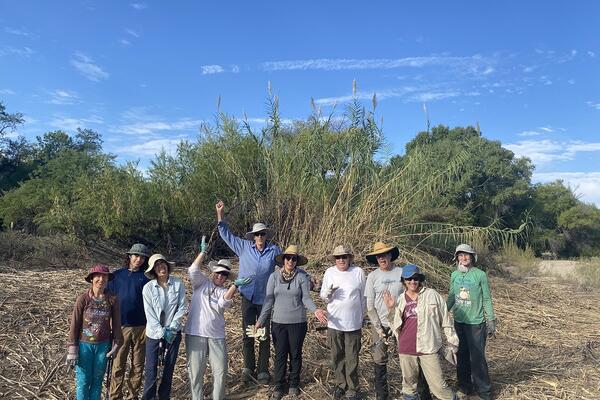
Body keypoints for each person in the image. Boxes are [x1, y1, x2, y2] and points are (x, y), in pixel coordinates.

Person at [216, 200, 281, 384]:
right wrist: (220, 214)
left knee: (263, 334)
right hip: (247, 296)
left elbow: (287, 264)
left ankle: (262, 370)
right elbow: (225, 234)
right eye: (257, 234)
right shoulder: (243, 246)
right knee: (248, 333)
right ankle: (248, 368)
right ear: (252, 236)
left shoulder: (273, 250)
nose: (260, 237)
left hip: (266, 298)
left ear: (266, 235)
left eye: (263, 234)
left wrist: (306, 277)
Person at [256, 245, 328, 400]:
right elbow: (268, 301)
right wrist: (261, 320)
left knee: (295, 354)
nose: (290, 261)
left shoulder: (302, 276)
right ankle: (279, 385)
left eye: (294, 258)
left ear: (297, 261)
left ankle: (294, 384)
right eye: (288, 258)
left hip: (297, 322)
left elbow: (306, 298)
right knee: (280, 354)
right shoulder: (273, 277)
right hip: (278, 323)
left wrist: (315, 310)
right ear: (283, 260)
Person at [185, 239, 252, 400]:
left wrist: (235, 286)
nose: (220, 276)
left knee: (220, 372)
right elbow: (192, 269)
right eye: (218, 272)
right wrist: (202, 253)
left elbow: (223, 302)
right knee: (195, 373)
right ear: (213, 271)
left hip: (217, 336)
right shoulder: (201, 283)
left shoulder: (225, 291)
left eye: (224, 274)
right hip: (195, 334)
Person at [386, 264, 459, 400]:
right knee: (409, 387)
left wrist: (452, 341)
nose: (412, 282)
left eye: (415, 278)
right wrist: (390, 309)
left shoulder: (432, 295)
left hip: (428, 347)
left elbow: (446, 320)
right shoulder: (401, 299)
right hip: (406, 348)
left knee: (439, 387)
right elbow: (395, 325)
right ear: (404, 281)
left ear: (420, 279)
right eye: (409, 279)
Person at [447, 244, 496, 400]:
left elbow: (487, 298)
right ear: (457, 258)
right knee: (461, 356)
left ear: (472, 256)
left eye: (466, 254)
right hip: (459, 322)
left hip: (476, 323)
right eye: (460, 255)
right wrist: (441, 313)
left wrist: (491, 320)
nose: (463, 258)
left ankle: (484, 392)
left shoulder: (480, 275)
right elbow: (451, 296)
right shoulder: (454, 275)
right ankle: (464, 387)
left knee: (477, 358)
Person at [67, 265, 123, 400]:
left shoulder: (112, 299)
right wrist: (72, 348)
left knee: (98, 379)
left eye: (104, 276)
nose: (101, 279)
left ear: (108, 279)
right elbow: (75, 324)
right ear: (92, 279)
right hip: (84, 345)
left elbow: (116, 323)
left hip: (103, 345)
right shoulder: (83, 299)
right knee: (83, 379)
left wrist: (117, 343)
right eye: (97, 276)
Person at [320, 245, 366, 400]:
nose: (341, 260)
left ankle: (352, 388)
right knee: (337, 356)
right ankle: (341, 385)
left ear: (349, 258)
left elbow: (363, 297)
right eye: (338, 257)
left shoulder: (358, 272)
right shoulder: (329, 272)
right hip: (334, 322)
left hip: (353, 322)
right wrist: (328, 293)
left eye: (344, 257)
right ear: (334, 259)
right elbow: (323, 296)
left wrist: (362, 317)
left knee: (352, 356)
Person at [142, 254, 187, 400]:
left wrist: (173, 327)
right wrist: (161, 331)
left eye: (163, 264)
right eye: (157, 265)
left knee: (168, 369)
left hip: (174, 333)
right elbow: (149, 313)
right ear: (153, 270)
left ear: (167, 266)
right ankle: (148, 397)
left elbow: (182, 306)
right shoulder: (148, 288)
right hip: (154, 335)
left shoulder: (178, 283)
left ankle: (164, 396)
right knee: (151, 370)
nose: (161, 267)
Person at [108, 243, 150, 400]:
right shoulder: (117, 276)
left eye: (142, 257)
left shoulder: (147, 278)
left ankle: (132, 396)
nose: (138, 259)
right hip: (121, 327)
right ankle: (115, 396)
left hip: (142, 327)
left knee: (138, 366)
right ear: (129, 256)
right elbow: (108, 299)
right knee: (118, 365)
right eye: (136, 256)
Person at [364, 242, 404, 400]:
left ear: (390, 255)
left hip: (402, 322)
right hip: (380, 324)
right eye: (378, 256)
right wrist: (379, 328)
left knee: (406, 356)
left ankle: (409, 390)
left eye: (384, 254)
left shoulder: (401, 272)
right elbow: (370, 305)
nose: (382, 258)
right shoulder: (373, 277)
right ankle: (382, 395)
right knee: (380, 358)